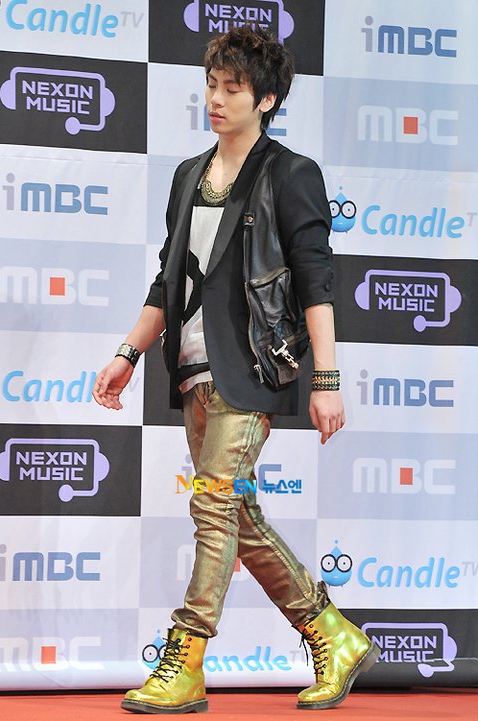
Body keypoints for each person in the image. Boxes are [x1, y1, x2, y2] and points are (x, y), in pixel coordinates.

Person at [92, 25, 379, 714]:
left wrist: (327, 379)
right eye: (211, 86)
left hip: (250, 371)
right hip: (191, 369)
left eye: (232, 89)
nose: (216, 100)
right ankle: (333, 634)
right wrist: (128, 352)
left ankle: (187, 657)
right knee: (235, 513)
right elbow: (167, 281)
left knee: (214, 503)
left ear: (266, 99)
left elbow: (316, 282)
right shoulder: (187, 175)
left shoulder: (290, 173)